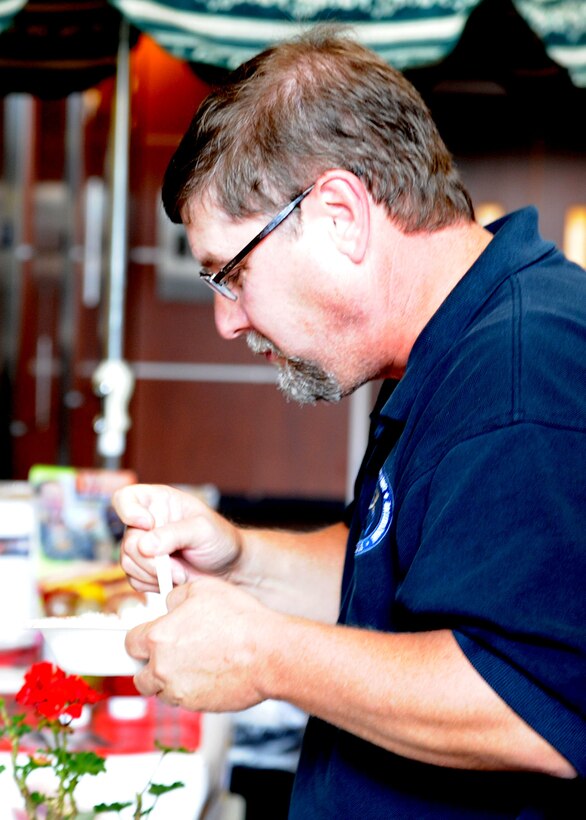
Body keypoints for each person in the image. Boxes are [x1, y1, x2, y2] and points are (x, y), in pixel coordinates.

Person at [112, 27, 586, 818]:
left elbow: (532, 703)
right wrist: (240, 559)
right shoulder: (449, 347)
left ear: (338, 215)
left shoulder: (521, 376)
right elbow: (401, 575)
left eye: (232, 274)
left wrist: (264, 654)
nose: (227, 323)